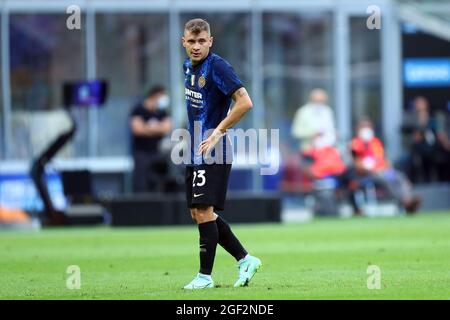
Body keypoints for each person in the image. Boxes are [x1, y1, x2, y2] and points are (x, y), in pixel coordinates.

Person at [181, 18, 261, 290]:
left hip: (213, 148)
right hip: (195, 148)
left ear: (210, 41)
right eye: (191, 41)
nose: (196, 46)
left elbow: (244, 102)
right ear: (184, 42)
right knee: (198, 212)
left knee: (204, 210)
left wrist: (217, 131)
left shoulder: (217, 66)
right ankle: (245, 259)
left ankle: (204, 277)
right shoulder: (187, 67)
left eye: (201, 41)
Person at [349, 119, 422, 214]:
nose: (366, 130)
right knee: (386, 180)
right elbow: (357, 164)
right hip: (368, 174)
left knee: (399, 177)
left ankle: (408, 199)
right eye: (364, 127)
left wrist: (387, 167)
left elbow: (384, 159)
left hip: (383, 171)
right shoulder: (355, 144)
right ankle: (405, 203)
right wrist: (372, 170)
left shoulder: (375, 142)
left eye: (368, 127)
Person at [129, 86, 172, 193]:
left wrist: (147, 128)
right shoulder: (138, 110)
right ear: (155, 96)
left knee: (156, 182)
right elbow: (137, 129)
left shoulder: (162, 112)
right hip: (141, 153)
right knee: (141, 183)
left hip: (157, 153)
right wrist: (158, 128)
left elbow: (167, 128)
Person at [402, 96, 450, 183]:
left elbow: (440, 132)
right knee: (415, 156)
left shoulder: (435, 116)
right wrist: (421, 121)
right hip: (421, 148)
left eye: (420, 103)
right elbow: (414, 137)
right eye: (417, 104)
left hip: (435, 146)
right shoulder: (411, 117)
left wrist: (446, 144)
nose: (418, 106)